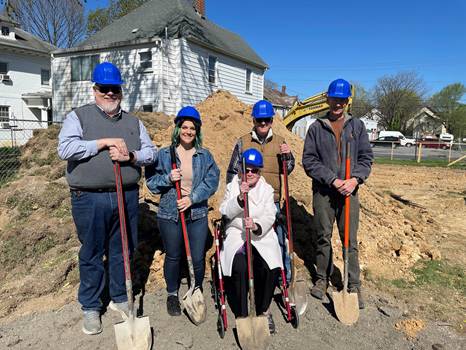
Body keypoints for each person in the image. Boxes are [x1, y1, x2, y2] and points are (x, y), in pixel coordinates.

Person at [57, 62, 157, 335]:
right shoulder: (78, 117)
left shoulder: (134, 122)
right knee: (91, 252)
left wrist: (131, 156)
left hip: (126, 196)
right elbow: (65, 149)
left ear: (121, 91)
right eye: (104, 89)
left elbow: (152, 153)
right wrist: (103, 142)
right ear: (95, 90)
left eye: (115, 89)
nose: (110, 94)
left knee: (122, 249)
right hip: (89, 199)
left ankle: (120, 297)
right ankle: (90, 307)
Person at [302, 78, 373, 309]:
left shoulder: (357, 127)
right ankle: (322, 279)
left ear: (347, 101)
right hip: (324, 191)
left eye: (342, 100)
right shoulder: (316, 128)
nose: (338, 104)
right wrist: (332, 179)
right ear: (327, 99)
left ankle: (353, 285)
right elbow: (309, 161)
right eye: (334, 99)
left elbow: (366, 158)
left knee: (349, 240)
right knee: (323, 236)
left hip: (349, 192)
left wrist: (355, 180)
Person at [146, 106, 220, 316]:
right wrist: (168, 178)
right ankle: (172, 294)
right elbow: (151, 183)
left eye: (192, 128)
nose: (188, 131)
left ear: (197, 132)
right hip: (170, 213)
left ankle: (195, 289)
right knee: (174, 256)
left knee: (197, 256)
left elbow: (212, 181)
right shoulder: (163, 155)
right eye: (184, 127)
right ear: (177, 129)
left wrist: (192, 198)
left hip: (196, 213)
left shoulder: (204, 156)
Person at [226, 100, 294, 288]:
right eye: (259, 120)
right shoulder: (243, 141)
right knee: (250, 241)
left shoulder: (280, 141)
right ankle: (254, 276)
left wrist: (287, 156)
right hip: (248, 200)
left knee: (278, 240)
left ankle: (282, 277)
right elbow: (232, 171)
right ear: (254, 120)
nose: (263, 124)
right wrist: (234, 194)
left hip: (272, 200)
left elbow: (289, 168)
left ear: (272, 120)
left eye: (266, 120)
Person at [221, 148, 282, 333]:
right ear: (240, 169)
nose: (249, 173)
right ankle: (242, 313)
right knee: (239, 265)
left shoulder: (267, 189)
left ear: (259, 171)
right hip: (237, 233)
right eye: (246, 169)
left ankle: (263, 309)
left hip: (260, 235)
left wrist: (256, 226)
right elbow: (224, 210)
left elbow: (271, 215)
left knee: (269, 266)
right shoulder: (233, 185)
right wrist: (239, 199)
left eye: (254, 170)